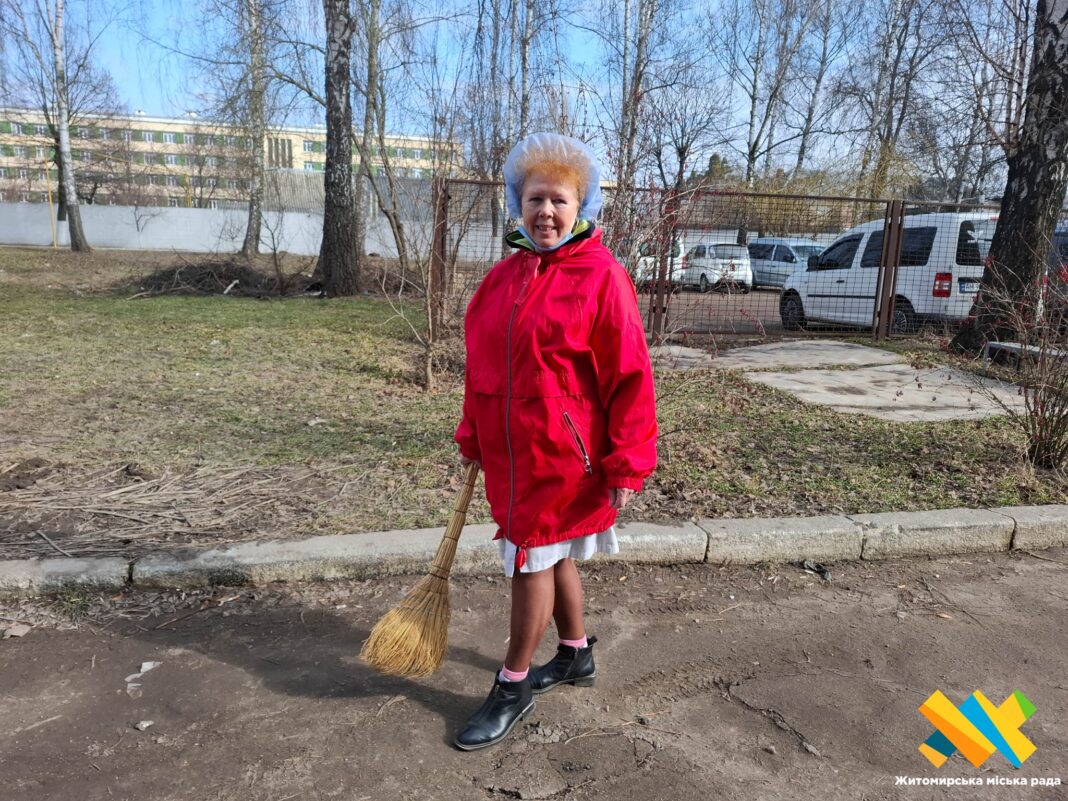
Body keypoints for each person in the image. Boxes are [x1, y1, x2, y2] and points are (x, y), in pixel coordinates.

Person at [453, 132, 658, 751]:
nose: (546, 212)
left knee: (529, 560)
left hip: (564, 459)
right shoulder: (503, 279)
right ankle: (573, 655)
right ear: (519, 204)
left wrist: (626, 463)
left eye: (559, 201)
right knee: (553, 554)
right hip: (513, 456)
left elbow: (630, 375)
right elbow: (481, 365)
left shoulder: (601, 276)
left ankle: (512, 683)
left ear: (581, 206)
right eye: (535, 198)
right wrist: (472, 433)